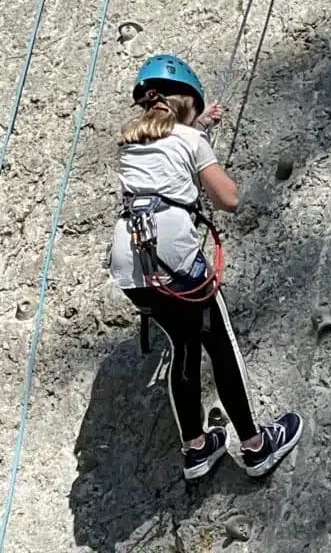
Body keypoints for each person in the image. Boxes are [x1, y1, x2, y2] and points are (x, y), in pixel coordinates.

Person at [107, 53, 302, 481]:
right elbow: (229, 200)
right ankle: (256, 445)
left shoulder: (130, 142)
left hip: (130, 262)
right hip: (174, 255)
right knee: (221, 344)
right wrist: (205, 148)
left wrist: (199, 128)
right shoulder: (192, 142)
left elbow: (167, 144)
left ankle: (196, 450)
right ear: (188, 102)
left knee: (182, 344)